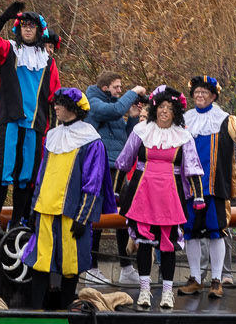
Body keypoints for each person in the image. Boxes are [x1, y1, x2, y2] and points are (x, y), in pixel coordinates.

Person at [23, 86, 108, 311]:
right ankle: (36, 312)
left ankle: (65, 312)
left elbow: (93, 182)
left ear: (73, 108)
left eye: (60, 104)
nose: (56, 107)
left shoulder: (91, 140)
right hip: (45, 210)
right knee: (40, 262)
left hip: (72, 213)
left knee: (70, 265)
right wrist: (33, 209)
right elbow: (42, 176)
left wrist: (83, 217)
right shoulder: (52, 136)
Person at [116, 86, 201, 310]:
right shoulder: (142, 131)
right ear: (155, 108)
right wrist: (117, 191)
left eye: (170, 108)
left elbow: (192, 168)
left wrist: (199, 196)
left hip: (171, 195)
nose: (165, 111)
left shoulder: (183, 136)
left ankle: (166, 292)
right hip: (144, 193)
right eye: (161, 107)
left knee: (168, 245)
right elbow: (124, 161)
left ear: (176, 113)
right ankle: (144, 290)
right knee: (144, 242)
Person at [0, 1, 60, 230]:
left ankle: (16, 222)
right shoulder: (9, 50)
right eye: (24, 25)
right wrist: (3, 18)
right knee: (3, 170)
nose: (28, 29)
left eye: (32, 26)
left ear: (38, 31)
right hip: (11, 120)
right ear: (19, 28)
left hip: (35, 124)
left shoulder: (47, 60)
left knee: (26, 176)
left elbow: (54, 95)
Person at [182, 75, 236, 298]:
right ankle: (195, 278)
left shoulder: (225, 119)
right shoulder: (185, 119)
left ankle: (216, 280)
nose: (200, 95)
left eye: (204, 92)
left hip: (215, 186)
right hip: (190, 187)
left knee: (217, 232)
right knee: (191, 233)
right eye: (197, 92)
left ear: (213, 96)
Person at [79, 72, 142, 286]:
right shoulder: (93, 102)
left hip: (118, 168)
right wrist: (133, 93)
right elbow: (114, 110)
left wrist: (133, 115)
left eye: (121, 88)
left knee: (124, 215)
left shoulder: (115, 106)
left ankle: (125, 267)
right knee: (98, 217)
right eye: (117, 87)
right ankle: (92, 269)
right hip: (100, 167)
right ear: (105, 87)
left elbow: (126, 136)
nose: (119, 91)